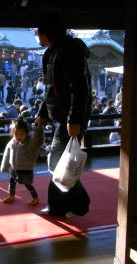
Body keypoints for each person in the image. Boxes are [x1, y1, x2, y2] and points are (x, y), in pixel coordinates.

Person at [34, 12, 92, 217]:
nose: (37, 36)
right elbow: (51, 89)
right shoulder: (53, 52)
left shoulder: (68, 52)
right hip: (61, 116)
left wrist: (74, 120)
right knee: (60, 161)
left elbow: (80, 89)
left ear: (48, 33)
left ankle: (77, 204)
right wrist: (43, 112)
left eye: (39, 33)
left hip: (68, 117)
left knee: (58, 162)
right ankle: (63, 206)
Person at [0, 117, 44, 206]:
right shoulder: (12, 142)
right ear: (13, 134)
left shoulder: (31, 143)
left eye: (22, 134)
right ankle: (11, 195)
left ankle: (35, 198)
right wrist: (5, 166)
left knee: (28, 184)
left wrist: (38, 129)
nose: (19, 137)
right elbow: (7, 154)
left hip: (25, 169)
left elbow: (38, 141)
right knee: (12, 182)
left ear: (27, 134)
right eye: (16, 134)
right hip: (14, 168)